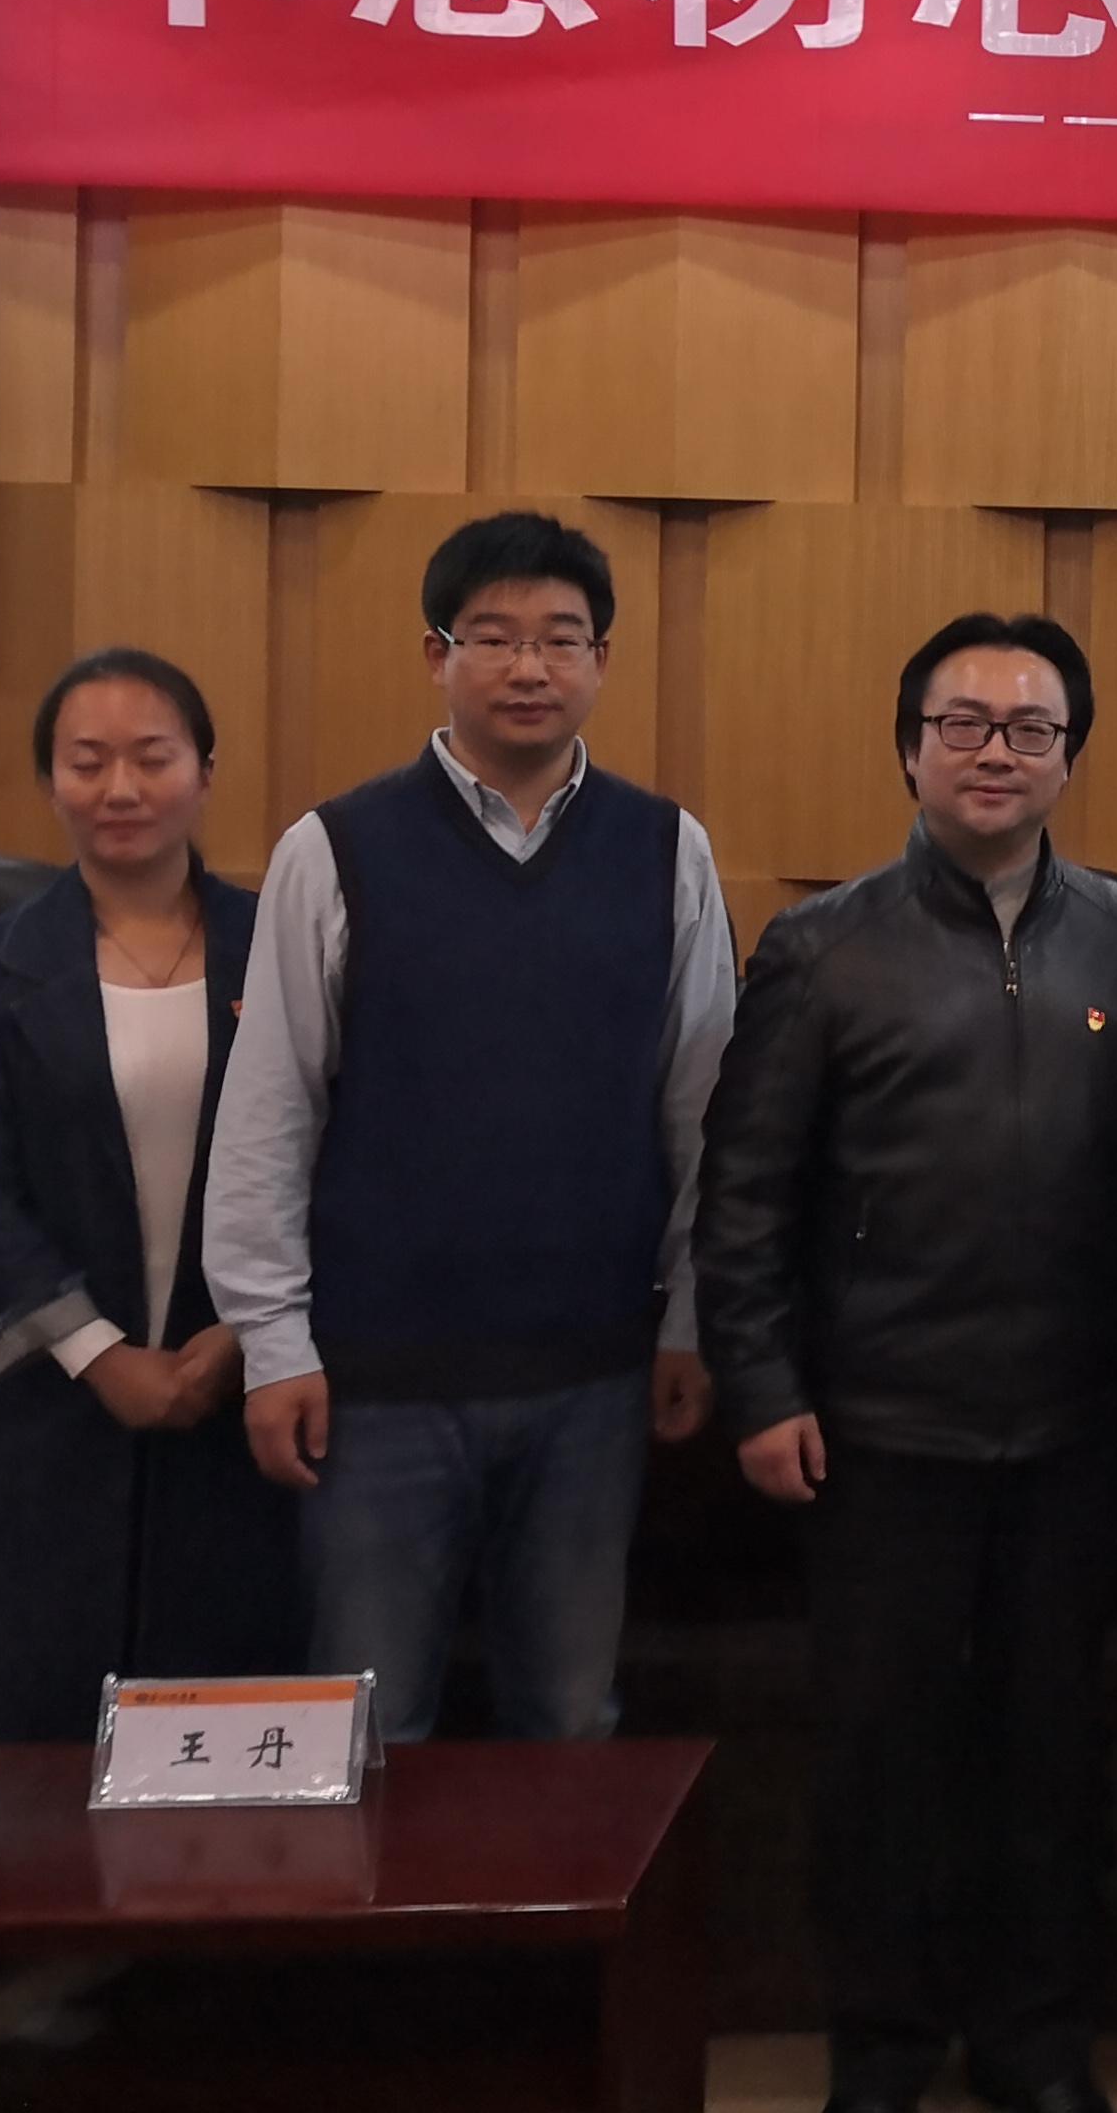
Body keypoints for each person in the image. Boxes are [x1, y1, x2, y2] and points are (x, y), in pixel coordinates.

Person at [698, 613, 1117, 2113]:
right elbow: (745, 1193)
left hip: (1074, 1426)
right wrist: (761, 1388)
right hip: (880, 1427)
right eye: (962, 724)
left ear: (1070, 757)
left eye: (1030, 729)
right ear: (909, 749)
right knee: (880, 1761)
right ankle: (885, 2050)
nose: (995, 752)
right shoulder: (822, 947)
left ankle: (1039, 2046)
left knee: (1053, 1756)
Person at [202, 510, 735, 1743]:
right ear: (435, 655)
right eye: (493, 637)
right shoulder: (334, 849)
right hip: (377, 1382)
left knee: (568, 1719)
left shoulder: (668, 850)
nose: (528, 667)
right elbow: (271, 1111)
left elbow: (703, 1108)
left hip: (593, 1376)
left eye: (561, 638)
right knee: (365, 1727)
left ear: (602, 660)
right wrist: (273, 1343)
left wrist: (691, 1320)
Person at [0, 648, 300, 1744]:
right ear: (50, 783)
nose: (120, 788)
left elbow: (340, 1160)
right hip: (46, 1412)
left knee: (227, 1734)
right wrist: (100, 1355)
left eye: (151, 758)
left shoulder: (284, 954)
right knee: (35, 1728)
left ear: (206, 771)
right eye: (87, 762)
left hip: (243, 1398)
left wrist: (245, 1334)